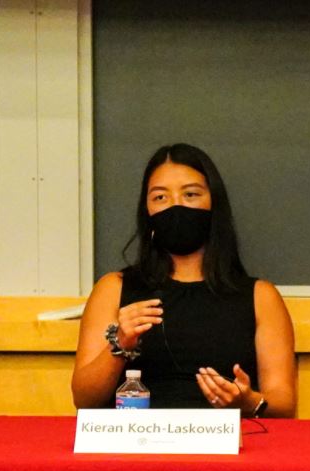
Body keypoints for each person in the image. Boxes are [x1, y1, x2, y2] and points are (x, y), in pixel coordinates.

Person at [72, 143, 297, 415]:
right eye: (160, 198)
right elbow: (84, 398)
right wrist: (119, 345)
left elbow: (284, 403)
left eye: (190, 194)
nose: (175, 206)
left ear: (214, 203)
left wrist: (249, 402)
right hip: (136, 445)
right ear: (147, 211)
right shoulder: (114, 288)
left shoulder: (260, 296)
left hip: (226, 447)